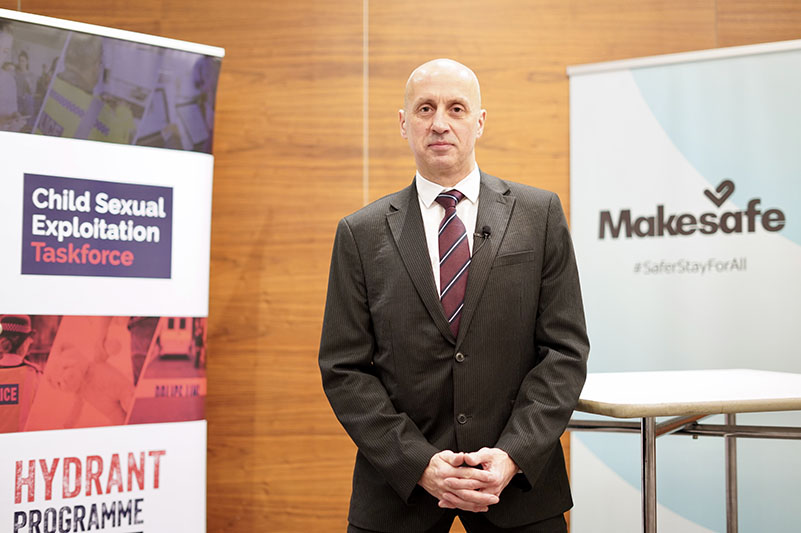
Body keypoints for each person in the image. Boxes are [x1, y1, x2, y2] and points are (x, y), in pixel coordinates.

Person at [319, 58, 589, 533]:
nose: (440, 122)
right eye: (425, 108)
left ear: (479, 121)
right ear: (404, 124)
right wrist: (419, 464)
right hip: (398, 492)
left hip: (518, 488)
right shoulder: (359, 234)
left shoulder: (539, 215)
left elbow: (564, 352)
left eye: (456, 108)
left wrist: (513, 454)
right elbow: (344, 369)